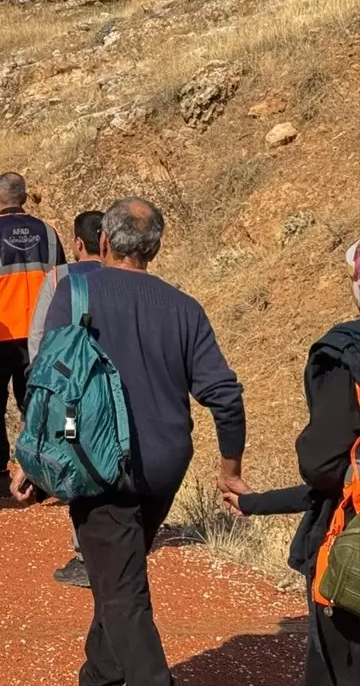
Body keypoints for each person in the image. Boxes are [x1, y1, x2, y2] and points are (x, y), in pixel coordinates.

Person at [19, 197, 248, 686]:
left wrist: (32, 460)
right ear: (156, 248)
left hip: (97, 464)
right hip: (164, 469)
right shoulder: (185, 308)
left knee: (122, 591)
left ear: (103, 240)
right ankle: (98, 676)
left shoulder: (75, 293)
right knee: (116, 572)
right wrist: (230, 468)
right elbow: (225, 396)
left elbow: (52, 387)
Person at [221, 239, 360, 685]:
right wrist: (256, 503)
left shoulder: (346, 353)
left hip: (350, 553)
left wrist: (252, 501)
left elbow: (324, 468)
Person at [0, 171, 64, 496]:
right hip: (37, 336)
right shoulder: (48, 233)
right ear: (25, 196)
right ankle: (36, 473)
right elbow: (63, 284)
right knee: (33, 405)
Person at [27, 209, 104, 589]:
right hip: (113, 390)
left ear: (76, 243)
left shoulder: (58, 277)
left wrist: (41, 389)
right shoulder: (124, 278)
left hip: (70, 391)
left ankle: (84, 554)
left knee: (75, 460)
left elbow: (38, 338)